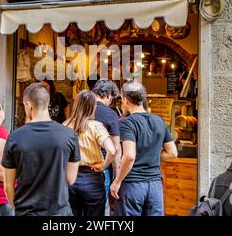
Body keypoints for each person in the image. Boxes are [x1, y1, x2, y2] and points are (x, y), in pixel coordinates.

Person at [2, 83, 81, 216]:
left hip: (26, 211)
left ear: (28, 105)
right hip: (59, 212)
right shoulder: (69, 135)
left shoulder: (14, 137)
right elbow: (70, 179)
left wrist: (16, 207)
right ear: (47, 102)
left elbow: (8, 186)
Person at [111, 82, 178, 216]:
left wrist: (117, 181)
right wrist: (151, 156)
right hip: (155, 185)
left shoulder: (126, 122)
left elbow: (129, 156)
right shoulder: (159, 121)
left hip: (132, 184)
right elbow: (172, 152)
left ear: (125, 100)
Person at [64, 90, 116, 216]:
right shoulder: (96, 126)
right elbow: (112, 150)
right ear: (93, 107)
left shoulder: (65, 125)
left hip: (70, 178)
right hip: (92, 177)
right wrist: (104, 165)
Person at [92, 79, 121, 216]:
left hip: (78, 167)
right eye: (112, 98)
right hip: (101, 168)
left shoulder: (81, 110)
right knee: (102, 208)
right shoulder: (110, 114)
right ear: (108, 94)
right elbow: (115, 149)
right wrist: (117, 176)